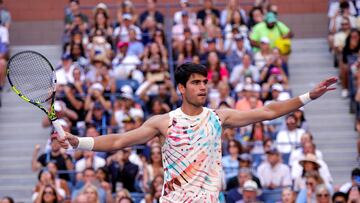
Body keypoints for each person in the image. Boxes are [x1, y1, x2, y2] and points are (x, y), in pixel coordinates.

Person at [54, 63, 337, 202]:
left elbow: (268, 112)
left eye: (205, 82)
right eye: (196, 83)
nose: (203, 87)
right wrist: (78, 141)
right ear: (181, 88)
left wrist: (307, 96)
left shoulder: (219, 117)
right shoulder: (163, 122)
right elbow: (118, 140)